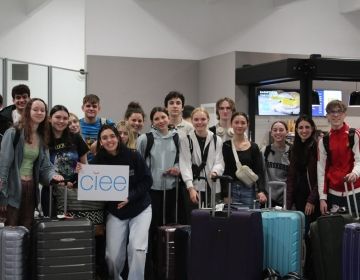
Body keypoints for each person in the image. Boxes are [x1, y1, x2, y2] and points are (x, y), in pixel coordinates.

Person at [79, 124, 152, 280]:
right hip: (116, 211)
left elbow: (147, 181)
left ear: (118, 138)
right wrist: (78, 173)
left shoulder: (134, 156)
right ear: (100, 141)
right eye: (104, 138)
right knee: (111, 256)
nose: (109, 140)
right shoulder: (98, 159)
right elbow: (87, 181)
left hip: (140, 209)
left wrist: (129, 197)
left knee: (137, 248)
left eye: (112, 136)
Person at [0, 98, 64, 229]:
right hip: (12, 189)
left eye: (43, 110)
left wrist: (53, 176)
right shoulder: (13, 133)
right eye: (36, 109)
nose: (39, 112)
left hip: (31, 188)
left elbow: (46, 166)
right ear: (28, 111)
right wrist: (3, 196)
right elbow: (3, 166)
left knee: (27, 228)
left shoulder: (42, 137)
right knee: (10, 229)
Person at [137, 107, 180, 278]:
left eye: (163, 117)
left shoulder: (177, 137)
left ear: (168, 118)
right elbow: (139, 163)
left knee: (169, 227)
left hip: (171, 190)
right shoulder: (145, 139)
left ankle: (167, 265)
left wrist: (176, 169)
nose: (161, 121)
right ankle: (152, 267)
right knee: (152, 229)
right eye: (157, 118)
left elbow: (181, 160)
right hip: (151, 191)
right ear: (152, 122)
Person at [286, 115, 320, 279]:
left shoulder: (317, 146)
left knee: (310, 236)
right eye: (301, 128)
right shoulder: (295, 148)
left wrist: (311, 200)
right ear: (296, 130)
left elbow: (320, 176)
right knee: (300, 236)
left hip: (312, 199)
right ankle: (301, 271)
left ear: (312, 128)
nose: (304, 130)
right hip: (299, 198)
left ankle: (312, 273)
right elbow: (291, 177)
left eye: (307, 127)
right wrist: (288, 203)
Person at [318, 100, 360, 214]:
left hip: (355, 192)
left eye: (339, 111)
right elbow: (321, 170)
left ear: (344, 114)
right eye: (332, 112)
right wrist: (322, 197)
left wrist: (355, 173)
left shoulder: (354, 134)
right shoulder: (324, 141)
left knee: (355, 230)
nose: (336, 115)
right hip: (333, 195)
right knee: (334, 230)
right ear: (327, 115)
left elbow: (359, 160)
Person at [179, 107, 224, 208]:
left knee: (213, 219)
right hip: (195, 186)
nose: (200, 122)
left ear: (208, 120)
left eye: (203, 119)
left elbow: (219, 161)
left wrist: (215, 172)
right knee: (195, 219)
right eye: (196, 119)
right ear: (192, 121)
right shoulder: (186, 140)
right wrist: (190, 188)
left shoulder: (217, 140)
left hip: (213, 185)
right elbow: (185, 164)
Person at [222, 112, 267, 208]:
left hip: (249, 190)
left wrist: (261, 190)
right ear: (231, 124)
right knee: (232, 220)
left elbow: (259, 171)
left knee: (249, 219)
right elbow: (225, 171)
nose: (239, 125)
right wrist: (225, 194)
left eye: (243, 123)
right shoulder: (226, 146)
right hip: (231, 190)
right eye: (236, 122)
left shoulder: (254, 147)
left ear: (247, 124)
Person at [261, 121, 291, 207]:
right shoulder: (264, 151)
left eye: (281, 130)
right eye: (275, 130)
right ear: (271, 133)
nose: (278, 132)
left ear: (287, 132)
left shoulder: (292, 151)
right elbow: (260, 173)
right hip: (268, 196)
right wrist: (260, 191)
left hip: (285, 197)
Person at [79, 94, 114, 161]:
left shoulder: (107, 123)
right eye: (88, 106)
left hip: (103, 164)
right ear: (83, 108)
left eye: (94, 106)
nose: (91, 109)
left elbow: (117, 141)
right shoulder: (76, 125)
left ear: (99, 108)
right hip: (81, 166)